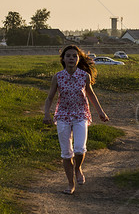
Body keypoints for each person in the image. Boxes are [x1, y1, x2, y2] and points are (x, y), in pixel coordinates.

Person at [43, 45, 109, 194]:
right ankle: (70, 184)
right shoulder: (58, 77)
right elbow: (49, 97)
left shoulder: (84, 76)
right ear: (63, 59)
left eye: (74, 56)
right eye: (68, 56)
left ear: (78, 59)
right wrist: (46, 113)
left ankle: (78, 168)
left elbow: (91, 95)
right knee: (66, 153)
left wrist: (101, 112)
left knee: (79, 148)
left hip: (81, 115)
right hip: (63, 116)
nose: (71, 58)